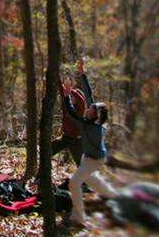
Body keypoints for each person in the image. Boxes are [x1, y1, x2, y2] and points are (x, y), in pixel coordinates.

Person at [61, 59, 117, 228]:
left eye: (92, 108)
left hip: (95, 159)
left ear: (96, 115)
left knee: (74, 182)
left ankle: (78, 218)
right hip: (88, 158)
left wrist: (66, 97)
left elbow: (71, 114)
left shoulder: (91, 126)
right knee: (93, 181)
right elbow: (88, 94)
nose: (88, 106)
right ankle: (115, 197)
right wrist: (82, 73)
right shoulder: (91, 120)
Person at [52, 64, 86, 166]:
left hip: (76, 140)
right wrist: (56, 74)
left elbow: (79, 101)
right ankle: (40, 174)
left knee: (80, 163)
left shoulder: (79, 104)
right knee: (48, 151)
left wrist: (69, 91)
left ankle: (85, 180)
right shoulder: (67, 100)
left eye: (72, 97)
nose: (70, 99)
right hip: (66, 137)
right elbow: (62, 90)